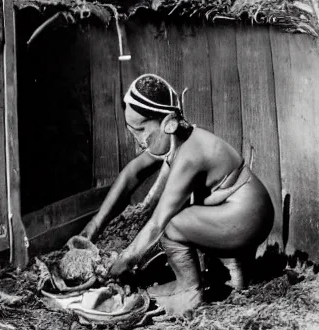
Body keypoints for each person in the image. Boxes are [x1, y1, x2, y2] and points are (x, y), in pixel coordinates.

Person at [79, 74, 274, 315]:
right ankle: (235, 279)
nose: (138, 142)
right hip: (246, 211)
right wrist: (94, 225)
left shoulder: (190, 153)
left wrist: (124, 260)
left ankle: (189, 292)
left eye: (141, 130)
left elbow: (158, 223)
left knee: (173, 225)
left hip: (247, 216)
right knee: (178, 222)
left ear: (168, 123)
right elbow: (132, 173)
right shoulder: (176, 138)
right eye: (131, 131)